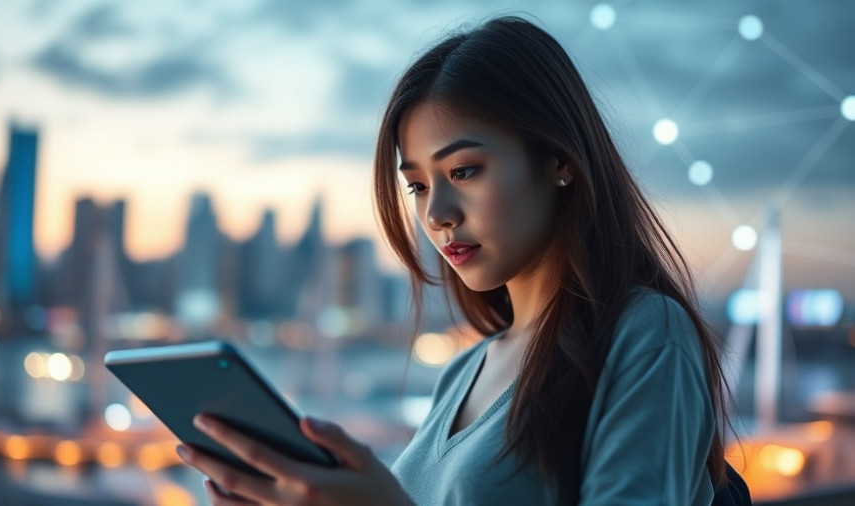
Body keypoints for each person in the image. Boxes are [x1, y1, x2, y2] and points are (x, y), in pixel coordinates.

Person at [176, 15, 745, 505]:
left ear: (559, 161)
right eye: (418, 186)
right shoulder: (463, 372)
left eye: (464, 171)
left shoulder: (644, 334)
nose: (437, 214)